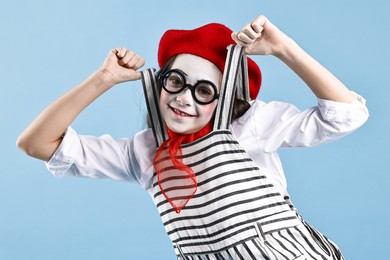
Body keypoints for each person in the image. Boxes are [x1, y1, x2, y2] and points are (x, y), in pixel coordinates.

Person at [17, 15, 368, 259]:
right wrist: (103, 79)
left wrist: (285, 49)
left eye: (203, 90)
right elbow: (36, 143)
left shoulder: (252, 125)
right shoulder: (143, 151)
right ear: (159, 83)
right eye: (175, 82)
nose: (184, 98)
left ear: (225, 99)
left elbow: (347, 115)